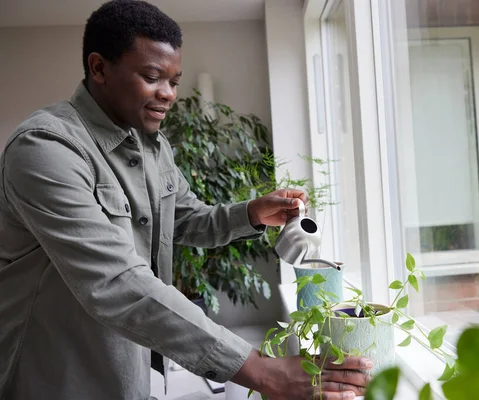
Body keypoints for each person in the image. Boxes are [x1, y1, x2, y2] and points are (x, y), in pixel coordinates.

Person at [0, 1, 373, 399]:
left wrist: (250, 213)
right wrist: (260, 371)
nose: (168, 94)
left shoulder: (153, 146)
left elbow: (184, 219)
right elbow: (115, 280)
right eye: (152, 77)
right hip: (52, 381)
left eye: (174, 81)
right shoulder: (45, 148)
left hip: (131, 375)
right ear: (99, 68)